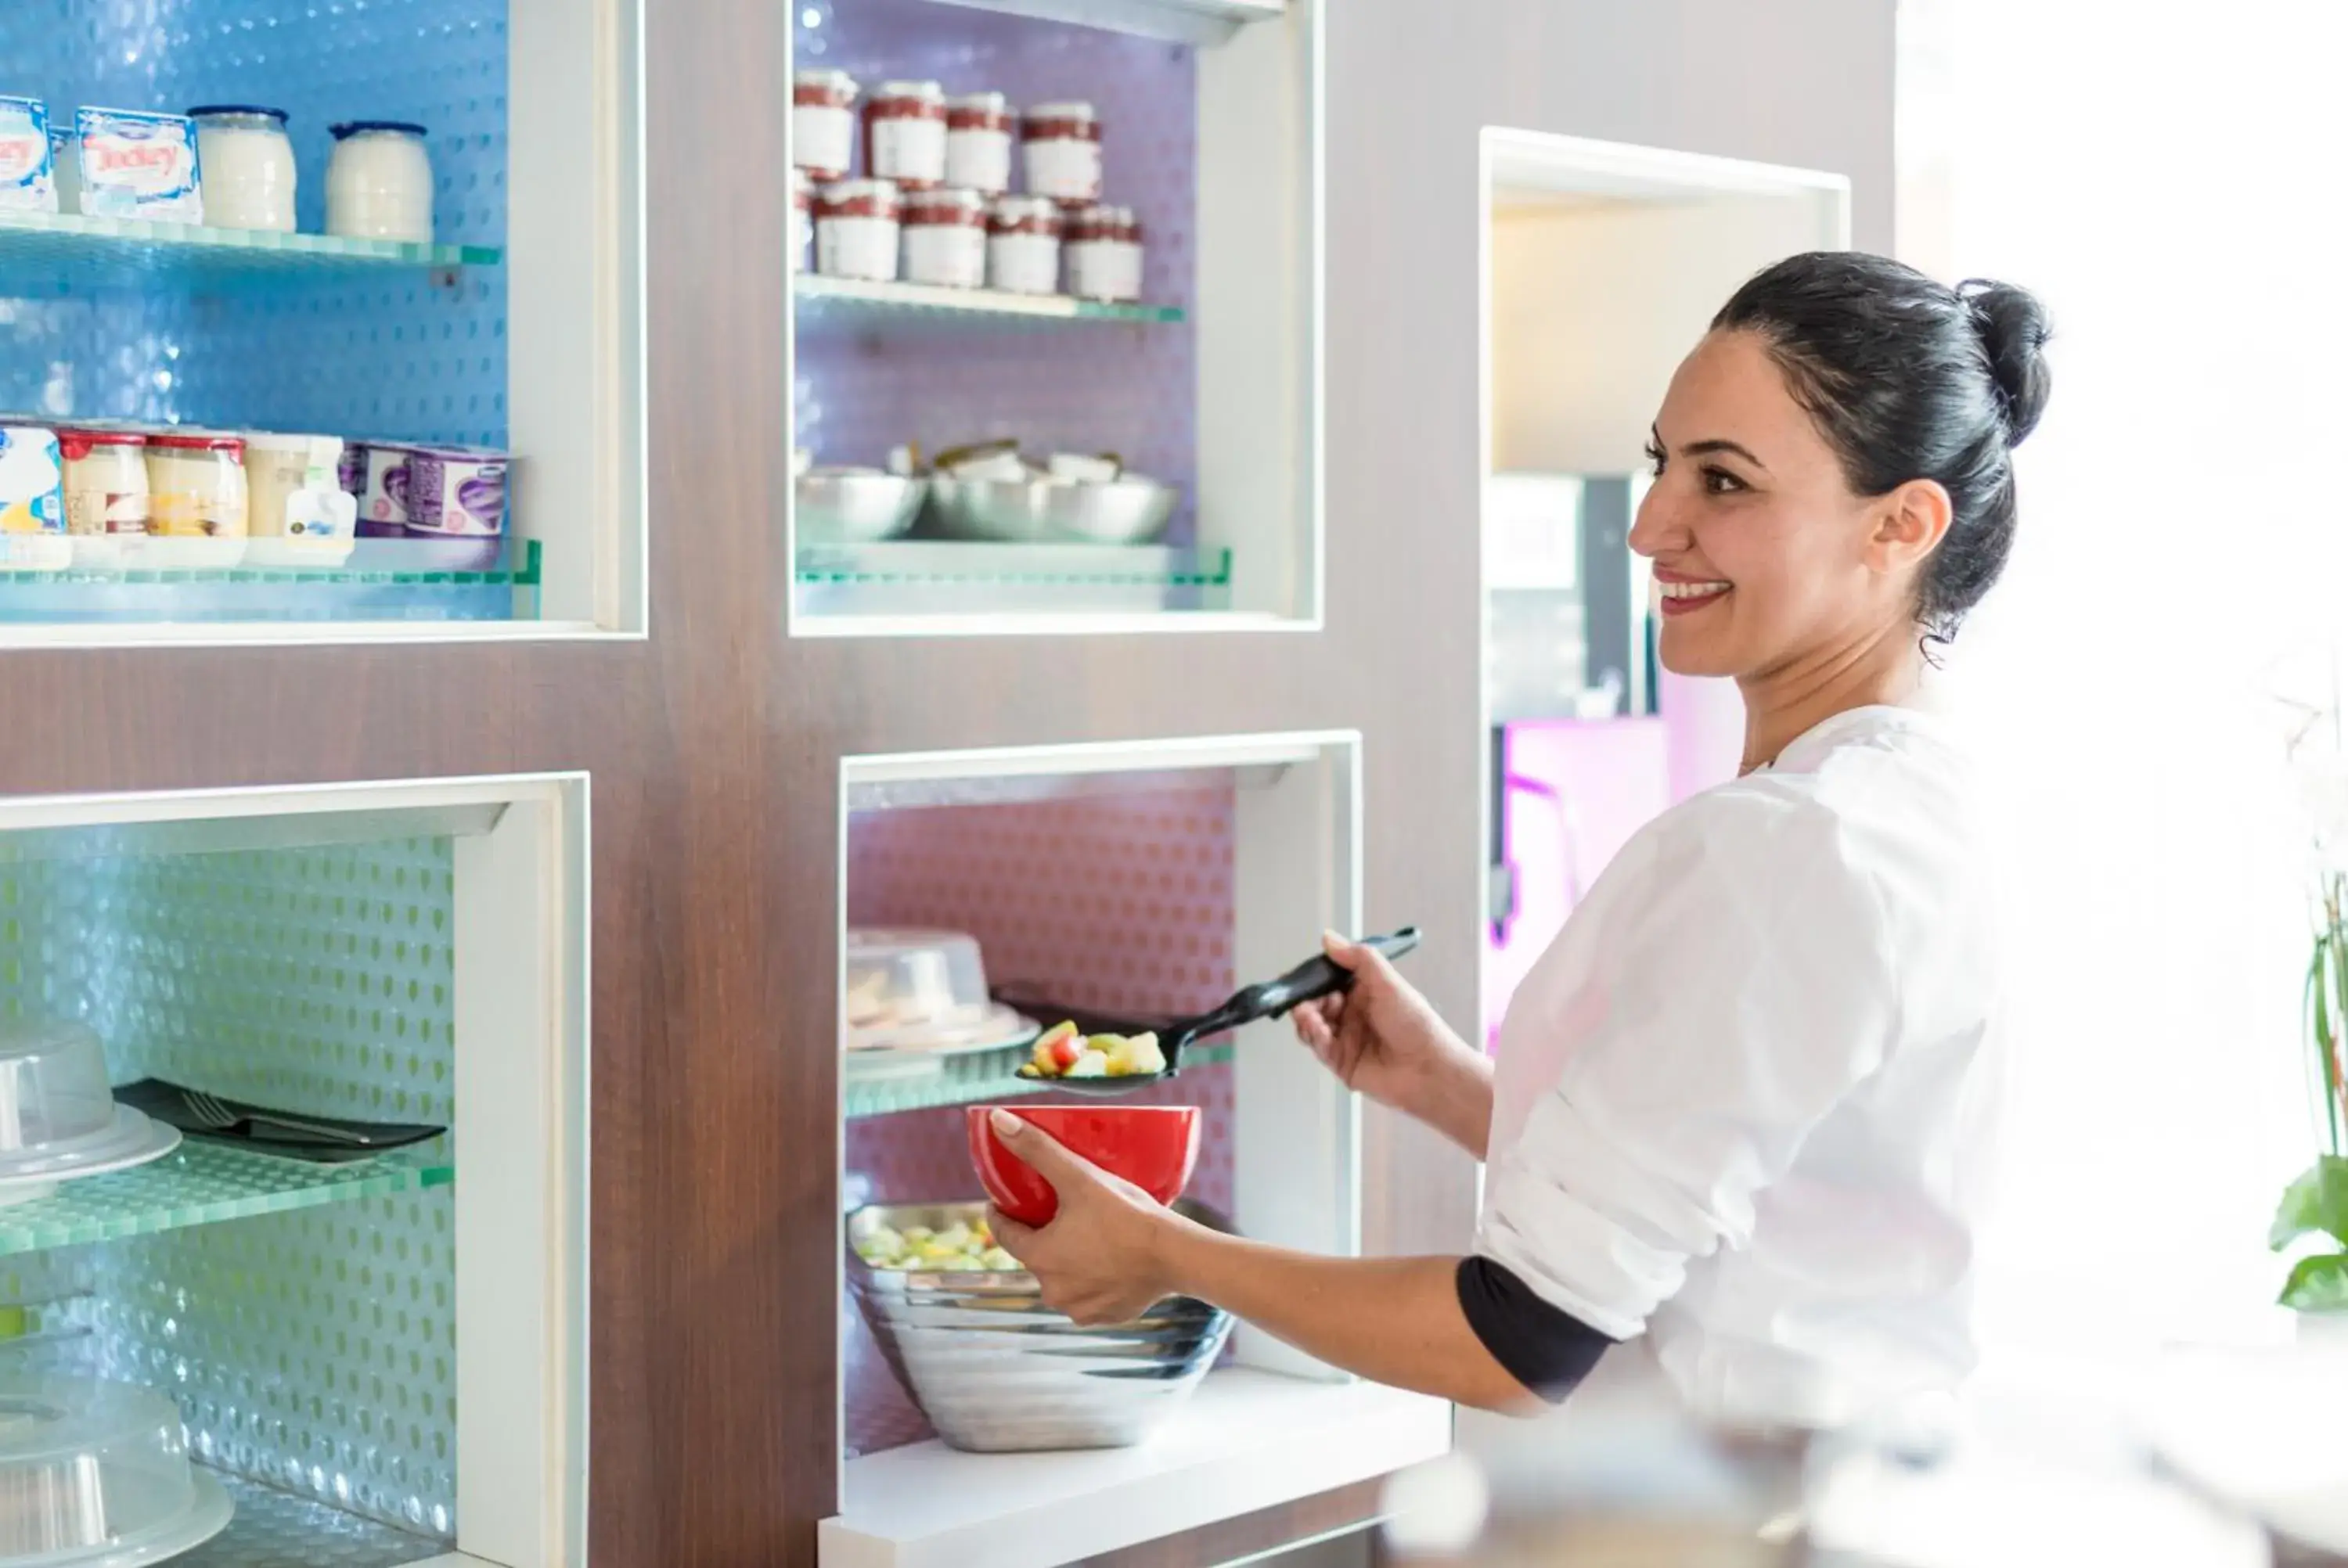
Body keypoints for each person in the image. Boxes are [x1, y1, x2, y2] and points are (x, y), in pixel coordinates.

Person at [988, 252, 2053, 1431]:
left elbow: (1524, 1337)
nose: (1651, 526)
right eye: (1662, 465)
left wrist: (1163, 1253)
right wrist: (1449, 1087)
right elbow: (1743, 1193)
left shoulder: (1797, 848)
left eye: (1725, 482)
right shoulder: (1912, 801)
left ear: (1900, 525)